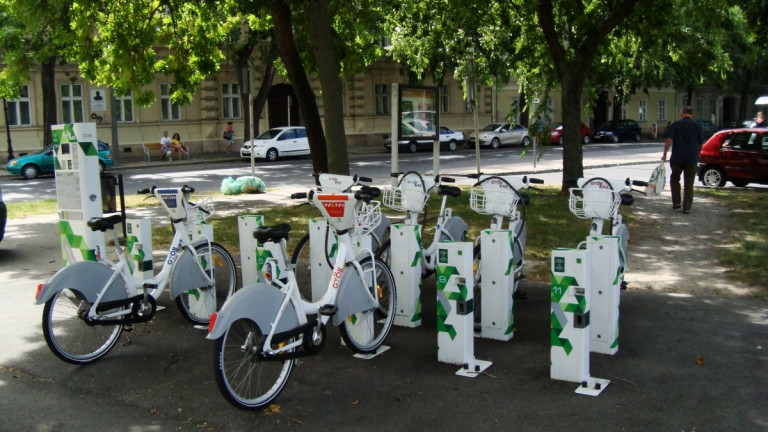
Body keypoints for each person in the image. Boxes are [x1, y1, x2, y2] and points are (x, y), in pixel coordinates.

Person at [662, 106, 704, 214]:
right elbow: (701, 144)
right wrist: (697, 154)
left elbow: (669, 140)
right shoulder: (697, 126)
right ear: (692, 115)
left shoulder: (676, 124)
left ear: (682, 113)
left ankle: (676, 202)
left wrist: (665, 153)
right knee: (689, 183)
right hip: (691, 159)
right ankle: (687, 208)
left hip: (677, 158)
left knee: (675, 179)